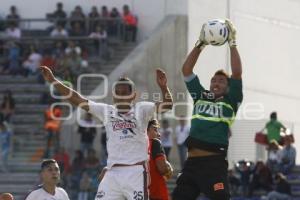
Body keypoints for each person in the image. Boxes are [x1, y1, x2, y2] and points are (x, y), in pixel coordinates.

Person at [39, 65, 173, 200]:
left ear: (133, 95)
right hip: (112, 173)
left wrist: (163, 87)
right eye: (117, 93)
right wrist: (53, 80)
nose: (120, 96)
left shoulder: (142, 109)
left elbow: (167, 104)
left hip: (135, 172)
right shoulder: (107, 111)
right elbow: (77, 99)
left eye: (124, 92)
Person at [172, 19, 243, 200]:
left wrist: (232, 43)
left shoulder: (232, 100)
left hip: (214, 164)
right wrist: (201, 44)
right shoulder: (200, 95)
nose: (216, 82)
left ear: (228, 87)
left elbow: (236, 73)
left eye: (221, 80)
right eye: (213, 80)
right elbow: (187, 70)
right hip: (192, 164)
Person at [147, 119, 173, 200]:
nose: (159, 134)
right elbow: (162, 169)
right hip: (156, 193)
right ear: (145, 130)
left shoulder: (133, 146)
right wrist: (168, 169)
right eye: (155, 130)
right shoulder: (155, 142)